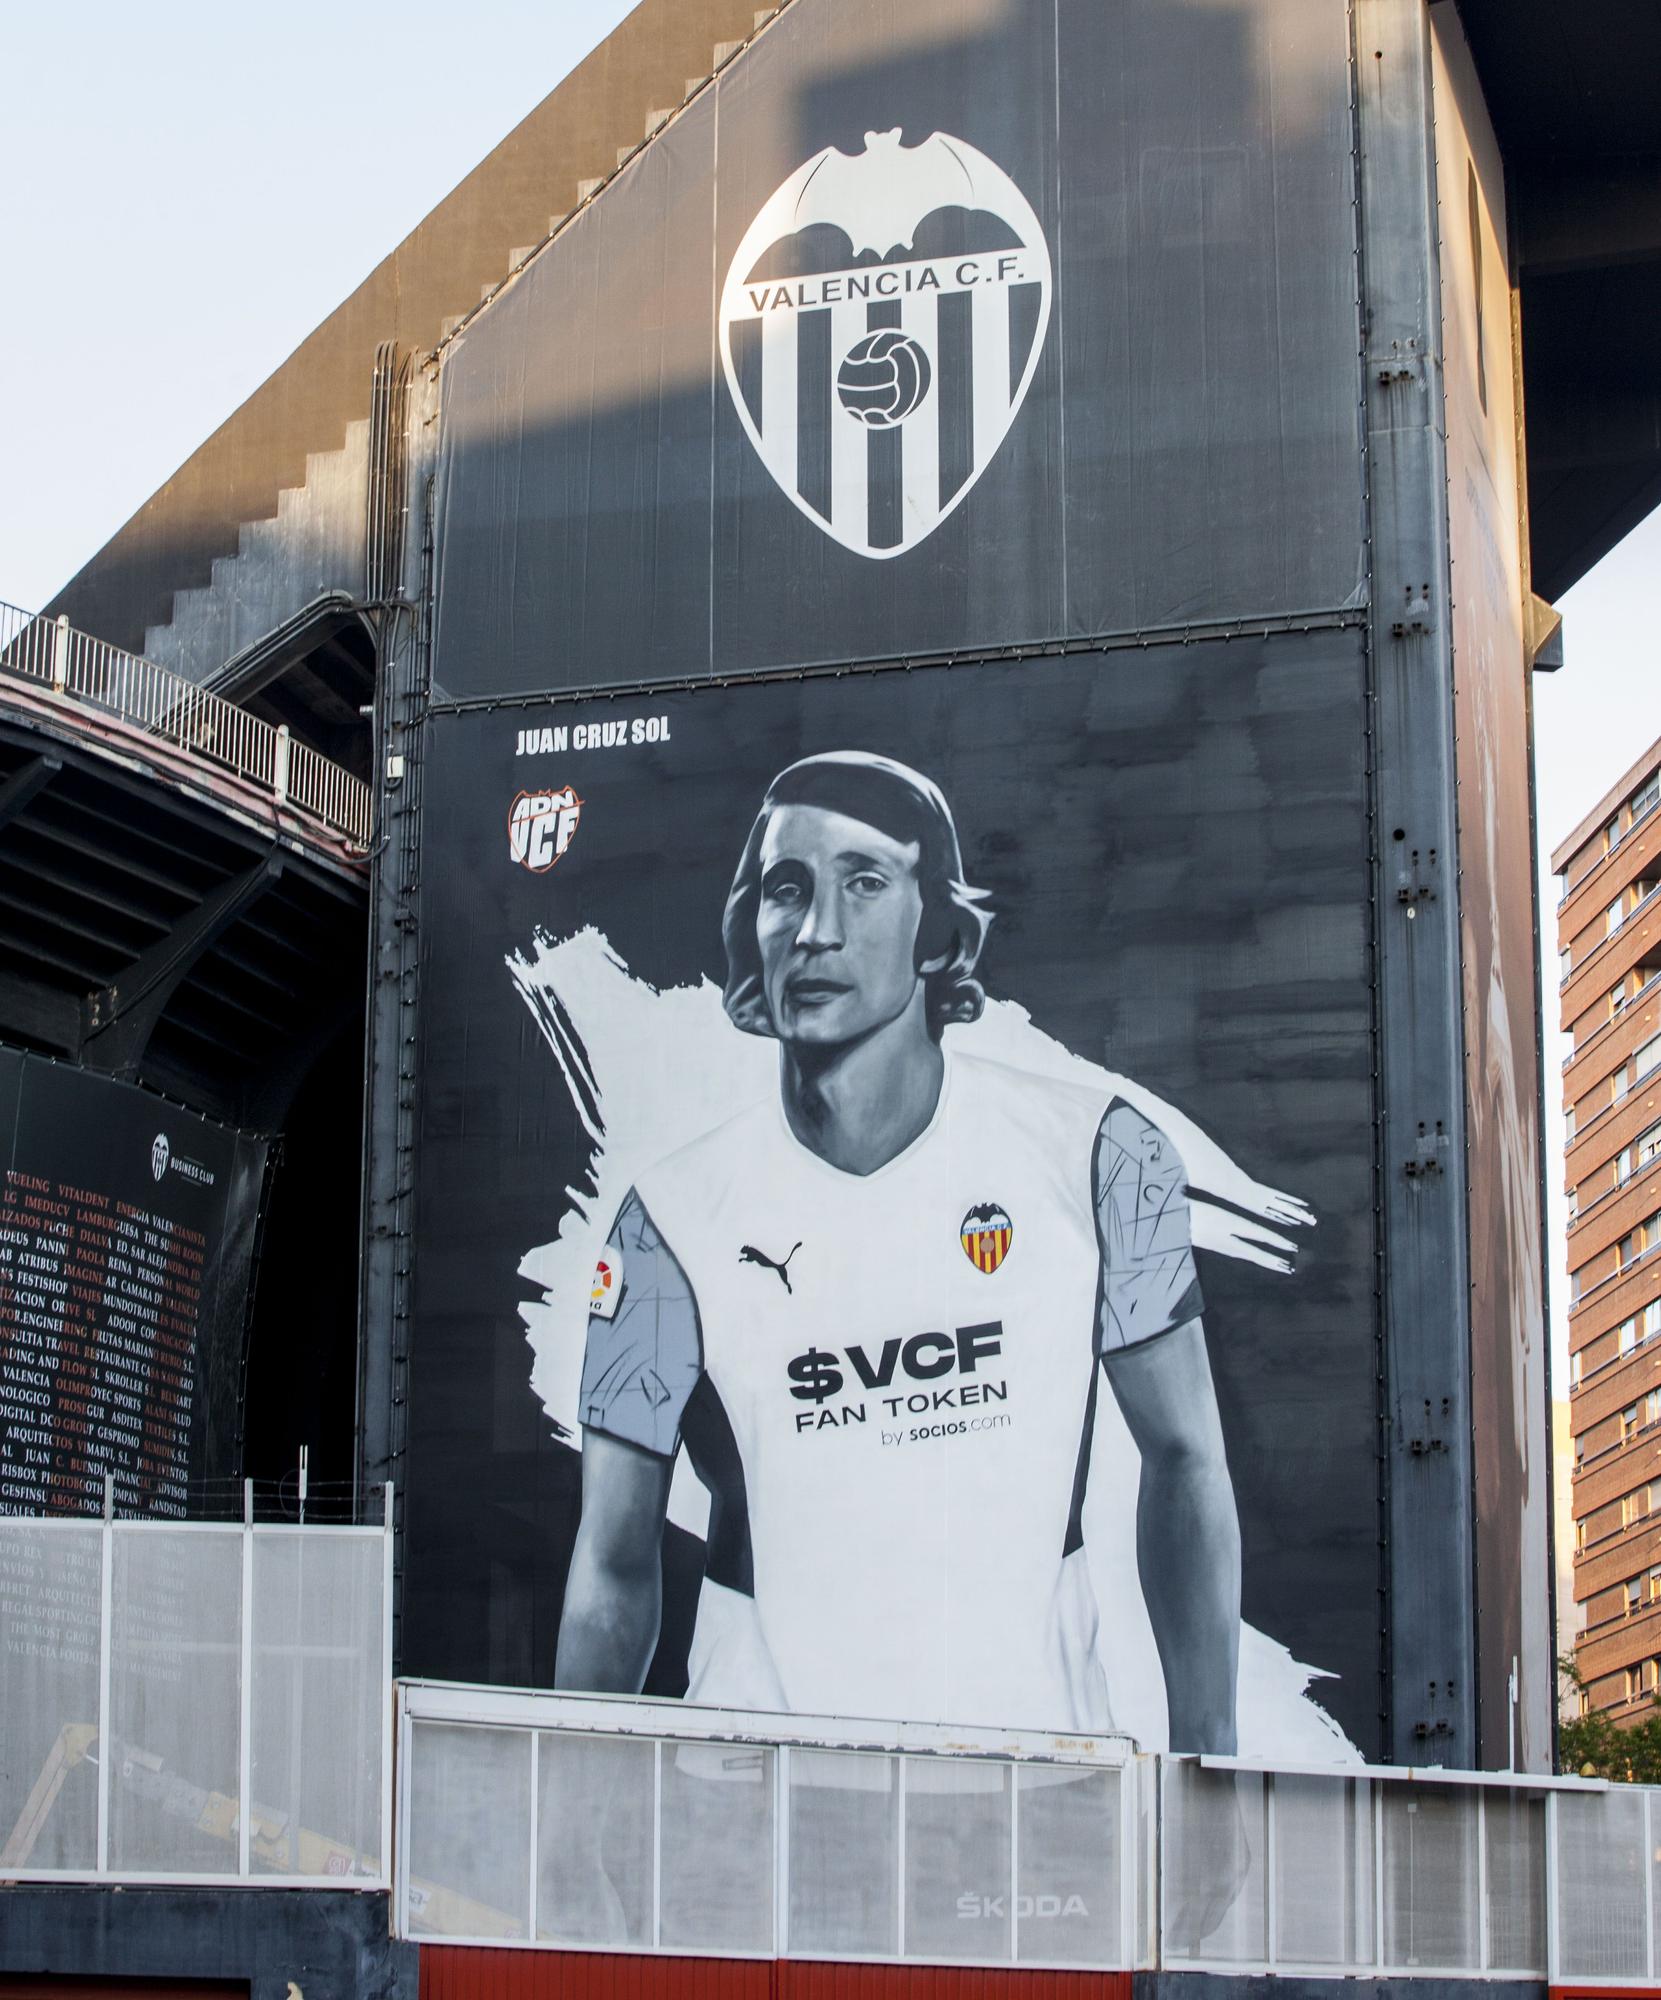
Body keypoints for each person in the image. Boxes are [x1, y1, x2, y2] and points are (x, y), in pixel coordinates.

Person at [555, 751, 1240, 1751]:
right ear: (753, 921)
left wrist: (1207, 1758)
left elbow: (1183, 1456)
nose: (815, 928)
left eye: (864, 881)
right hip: (754, 1814)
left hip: (1033, 1799)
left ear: (939, 933)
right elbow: (613, 1561)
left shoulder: (1099, 1153)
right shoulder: (666, 1215)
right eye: (786, 888)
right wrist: (577, 1811)